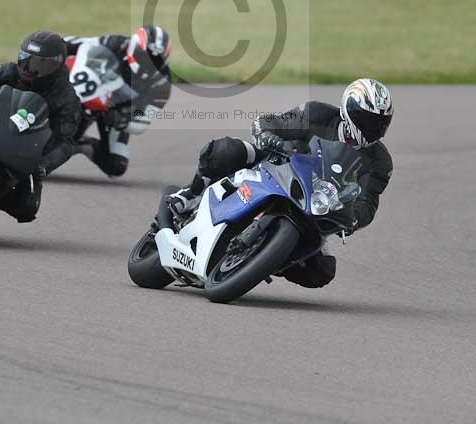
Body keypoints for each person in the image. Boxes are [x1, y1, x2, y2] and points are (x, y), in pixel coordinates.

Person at [168, 78, 394, 289]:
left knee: (322, 271)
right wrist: (270, 137)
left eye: (380, 123)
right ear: (349, 111)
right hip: (275, 168)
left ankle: (267, 259)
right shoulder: (317, 113)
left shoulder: (380, 162)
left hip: (315, 208)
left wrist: (354, 219)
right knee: (226, 150)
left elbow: (368, 202)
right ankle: (191, 194)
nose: (373, 128)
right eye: (367, 120)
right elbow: (270, 122)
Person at [0, 31, 82, 222]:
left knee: (26, 207)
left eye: (38, 64)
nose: (28, 68)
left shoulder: (66, 98)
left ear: (56, 65)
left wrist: (44, 165)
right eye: (24, 59)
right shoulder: (10, 71)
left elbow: (66, 143)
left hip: (25, 152)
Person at [65, 25, 171, 178]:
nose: (149, 63)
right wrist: (58, 47)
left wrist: (122, 118)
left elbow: (144, 117)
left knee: (116, 164)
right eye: (145, 56)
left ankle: (82, 145)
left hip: (116, 111)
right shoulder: (117, 43)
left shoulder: (162, 84)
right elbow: (81, 43)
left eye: (156, 60)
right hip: (87, 87)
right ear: (134, 48)